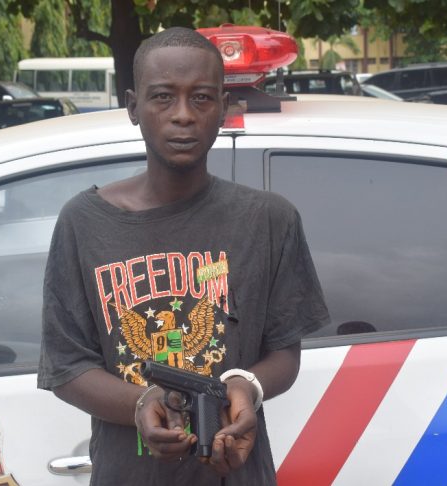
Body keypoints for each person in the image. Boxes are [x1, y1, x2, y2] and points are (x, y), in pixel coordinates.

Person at [38, 26, 329, 485]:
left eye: (201, 98)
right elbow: (66, 368)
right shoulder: (84, 223)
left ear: (223, 107)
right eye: (162, 97)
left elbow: (284, 353)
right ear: (133, 107)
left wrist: (246, 387)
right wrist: (140, 403)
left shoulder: (269, 220)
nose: (183, 116)